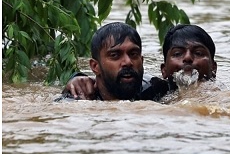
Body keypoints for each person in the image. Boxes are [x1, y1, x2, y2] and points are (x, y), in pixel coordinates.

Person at [58, 23, 216, 101]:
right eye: (115, 55)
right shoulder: (78, 100)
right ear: (95, 66)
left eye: (133, 54)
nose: (127, 62)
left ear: (142, 60)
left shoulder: (156, 89)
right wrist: (75, 78)